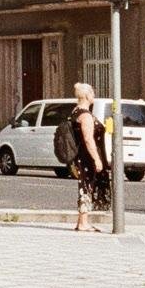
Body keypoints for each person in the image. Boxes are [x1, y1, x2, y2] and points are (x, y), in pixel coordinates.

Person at [56, 81, 110, 232]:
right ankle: (83, 222)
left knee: (85, 186)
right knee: (86, 186)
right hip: (86, 157)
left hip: (81, 156)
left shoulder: (75, 111)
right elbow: (88, 139)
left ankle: (82, 221)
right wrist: (97, 159)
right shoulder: (85, 115)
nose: (94, 95)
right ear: (86, 95)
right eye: (92, 92)